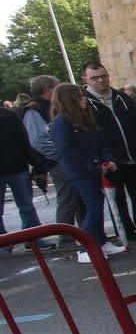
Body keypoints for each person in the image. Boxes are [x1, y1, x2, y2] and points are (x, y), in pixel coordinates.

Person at [48, 83, 126, 264]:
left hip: (94, 168)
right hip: (80, 172)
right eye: (79, 96)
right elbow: (68, 152)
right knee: (93, 208)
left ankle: (101, 241)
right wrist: (94, 166)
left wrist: (108, 160)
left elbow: (101, 141)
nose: (84, 98)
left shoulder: (85, 118)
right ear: (69, 100)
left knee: (97, 206)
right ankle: (85, 249)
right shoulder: (61, 122)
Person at [83, 61, 136, 241]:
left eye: (103, 76)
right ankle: (126, 234)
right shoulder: (86, 102)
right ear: (86, 79)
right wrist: (102, 159)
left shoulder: (122, 97)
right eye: (95, 78)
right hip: (111, 160)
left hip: (133, 156)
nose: (101, 80)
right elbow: (89, 134)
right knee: (117, 201)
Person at [23, 75, 84, 229]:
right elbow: (39, 140)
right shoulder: (35, 109)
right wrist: (62, 155)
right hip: (58, 161)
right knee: (68, 199)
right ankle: (66, 239)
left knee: (81, 198)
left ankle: (88, 234)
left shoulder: (51, 107)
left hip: (66, 158)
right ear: (48, 89)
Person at [0, 99, 55, 252]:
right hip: (17, 166)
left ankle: (22, 240)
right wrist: (35, 164)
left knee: (27, 206)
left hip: (17, 166)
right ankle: (31, 239)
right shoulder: (9, 115)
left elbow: (23, 140)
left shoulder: (9, 116)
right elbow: (23, 140)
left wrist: (36, 164)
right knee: (26, 206)